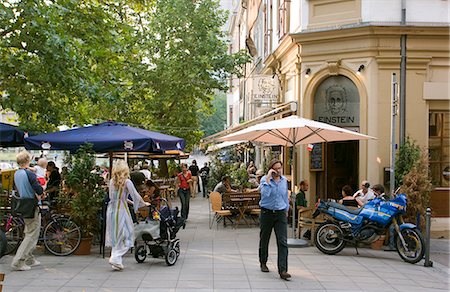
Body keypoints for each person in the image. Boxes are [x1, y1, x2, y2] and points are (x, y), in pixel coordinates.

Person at [105, 160, 149, 271]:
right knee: (128, 234)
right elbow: (135, 195)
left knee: (116, 234)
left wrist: (133, 203)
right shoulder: (127, 182)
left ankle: (117, 260)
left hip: (111, 209)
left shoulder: (111, 181)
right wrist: (143, 204)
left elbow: (116, 198)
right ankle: (115, 256)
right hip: (121, 210)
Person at [11, 151, 44, 271]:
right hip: (32, 205)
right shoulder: (29, 174)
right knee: (31, 234)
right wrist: (41, 192)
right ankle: (19, 261)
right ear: (28, 161)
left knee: (29, 231)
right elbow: (38, 189)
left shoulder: (17, 173)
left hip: (23, 205)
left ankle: (29, 257)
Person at [259, 159, 291, 280]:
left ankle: (283, 270)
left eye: (280, 168)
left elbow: (285, 197)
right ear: (271, 169)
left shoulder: (284, 181)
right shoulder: (264, 180)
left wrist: (287, 209)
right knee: (264, 238)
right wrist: (268, 178)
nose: (278, 170)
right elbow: (265, 194)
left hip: (280, 213)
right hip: (266, 212)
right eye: (276, 168)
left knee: (282, 241)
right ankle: (263, 262)